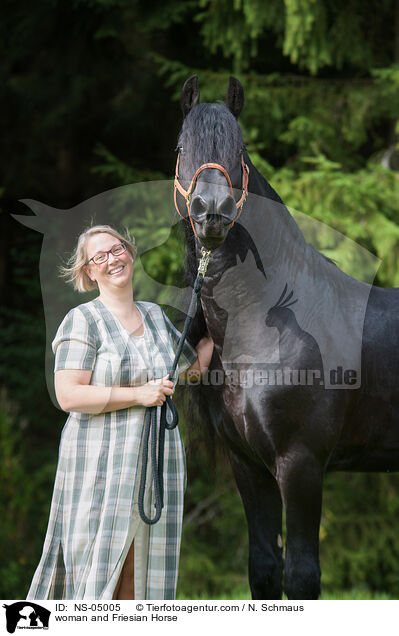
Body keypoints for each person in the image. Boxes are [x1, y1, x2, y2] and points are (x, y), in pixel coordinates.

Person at [26, 224, 214, 600]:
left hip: (155, 462)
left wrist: (223, 329)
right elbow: (69, 395)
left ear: (130, 253)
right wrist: (138, 395)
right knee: (100, 568)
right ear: (89, 272)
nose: (112, 259)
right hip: (100, 463)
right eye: (99, 256)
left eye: (117, 249)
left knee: (142, 570)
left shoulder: (155, 316)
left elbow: (189, 369)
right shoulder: (83, 320)